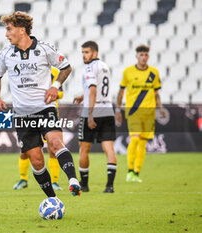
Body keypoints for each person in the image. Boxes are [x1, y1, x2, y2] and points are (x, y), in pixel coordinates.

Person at [0, 11, 81, 198]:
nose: (6, 34)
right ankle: (52, 199)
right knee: (37, 161)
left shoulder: (44, 49)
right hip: (22, 115)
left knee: (56, 143)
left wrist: (55, 86)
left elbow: (66, 67)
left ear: (22, 30)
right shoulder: (5, 54)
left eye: (9, 30)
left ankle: (73, 180)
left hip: (45, 109)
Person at [115, 45, 165, 183]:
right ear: (136, 56)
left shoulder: (154, 72)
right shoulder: (128, 72)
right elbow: (121, 92)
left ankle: (136, 173)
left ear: (148, 56)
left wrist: (160, 109)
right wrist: (118, 109)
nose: (143, 57)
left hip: (149, 113)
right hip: (133, 112)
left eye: (145, 55)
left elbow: (156, 93)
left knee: (143, 143)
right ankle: (129, 171)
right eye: (141, 55)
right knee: (135, 139)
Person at [73, 41, 117, 193]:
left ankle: (84, 185)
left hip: (92, 111)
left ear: (95, 53)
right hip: (107, 110)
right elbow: (97, 88)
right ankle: (109, 186)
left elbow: (93, 90)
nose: (84, 55)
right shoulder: (105, 66)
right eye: (83, 52)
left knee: (84, 148)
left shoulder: (89, 68)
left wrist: (90, 114)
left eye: (87, 52)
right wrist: (81, 96)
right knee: (109, 148)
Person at [13, 67, 64, 191]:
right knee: (25, 150)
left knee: (53, 149)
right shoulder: (30, 68)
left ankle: (54, 181)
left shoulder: (54, 72)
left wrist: (51, 93)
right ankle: (23, 179)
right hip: (29, 115)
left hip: (48, 114)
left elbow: (61, 92)